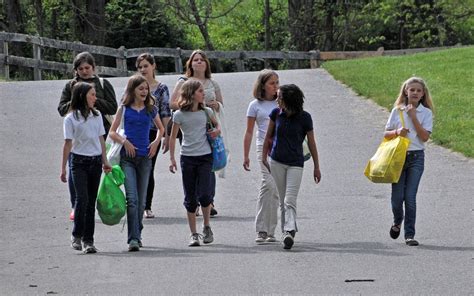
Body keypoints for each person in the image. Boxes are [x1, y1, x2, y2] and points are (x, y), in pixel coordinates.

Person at [58, 51, 117, 221]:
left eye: (87, 68)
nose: (84, 71)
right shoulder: (70, 86)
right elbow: (61, 109)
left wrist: (93, 99)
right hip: (77, 133)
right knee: (74, 169)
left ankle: (90, 202)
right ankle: (76, 205)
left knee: (94, 169)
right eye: (81, 68)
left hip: (99, 132)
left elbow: (113, 107)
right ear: (76, 70)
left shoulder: (103, 84)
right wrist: (78, 98)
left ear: (94, 68)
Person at [108, 75, 165, 252]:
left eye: (146, 89)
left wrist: (156, 142)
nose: (144, 92)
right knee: (131, 199)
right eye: (140, 89)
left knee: (141, 202)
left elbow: (161, 129)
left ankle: (137, 230)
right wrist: (125, 142)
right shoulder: (124, 109)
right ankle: (133, 238)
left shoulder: (150, 109)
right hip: (128, 158)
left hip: (145, 158)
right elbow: (112, 132)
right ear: (132, 90)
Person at [262, 84, 321, 250]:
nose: (277, 100)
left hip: (296, 163)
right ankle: (286, 232)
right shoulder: (276, 114)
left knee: (290, 199)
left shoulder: (305, 118)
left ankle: (288, 230)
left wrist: (317, 166)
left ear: (289, 99)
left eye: (280, 97)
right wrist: (263, 157)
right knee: (282, 201)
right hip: (276, 161)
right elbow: (268, 137)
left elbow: (312, 143)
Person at [170, 49, 226, 217]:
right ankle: (193, 201)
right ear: (190, 64)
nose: (199, 62)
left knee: (209, 165)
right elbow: (172, 104)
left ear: (207, 63)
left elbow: (221, 105)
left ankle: (208, 201)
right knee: (192, 165)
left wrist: (214, 105)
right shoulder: (183, 82)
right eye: (196, 60)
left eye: (202, 59)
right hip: (188, 127)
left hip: (208, 127)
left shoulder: (213, 83)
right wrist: (191, 106)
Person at [60, 82, 112, 254]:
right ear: (82, 96)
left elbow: (101, 140)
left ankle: (88, 240)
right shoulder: (70, 118)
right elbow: (67, 144)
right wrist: (63, 168)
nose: (95, 98)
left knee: (91, 202)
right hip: (78, 162)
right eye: (92, 95)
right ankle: (77, 234)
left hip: (95, 161)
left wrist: (105, 161)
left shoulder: (96, 116)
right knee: (81, 199)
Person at [169, 80, 220, 247]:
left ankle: (206, 226)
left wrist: (216, 131)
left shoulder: (207, 111)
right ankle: (193, 234)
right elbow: (173, 137)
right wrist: (172, 158)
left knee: (205, 195)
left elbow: (217, 126)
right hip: (188, 158)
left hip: (205, 157)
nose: (203, 93)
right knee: (190, 198)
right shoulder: (179, 115)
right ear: (191, 94)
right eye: (200, 91)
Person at [385, 77, 434, 246]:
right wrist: (397, 131)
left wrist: (413, 117)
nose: (415, 93)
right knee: (397, 197)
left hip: (416, 157)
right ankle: (397, 220)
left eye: (418, 91)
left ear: (423, 95)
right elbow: (386, 133)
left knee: (410, 197)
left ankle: (409, 234)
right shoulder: (397, 111)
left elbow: (425, 137)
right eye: (412, 89)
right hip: (398, 157)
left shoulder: (426, 113)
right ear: (406, 91)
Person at [243, 69, 280, 243]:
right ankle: (261, 229)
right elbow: (249, 132)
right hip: (263, 147)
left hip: (281, 147)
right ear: (263, 86)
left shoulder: (282, 103)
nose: (276, 86)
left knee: (275, 189)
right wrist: (245, 155)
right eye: (272, 83)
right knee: (268, 183)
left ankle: (271, 230)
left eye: (277, 83)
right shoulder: (255, 105)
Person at [135, 53, 172, 219]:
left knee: (148, 168)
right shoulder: (134, 85)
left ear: (153, 66)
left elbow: (165, 112)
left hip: (152, 132)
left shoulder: (161, 88)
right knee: (134, 168)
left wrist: (166, 135)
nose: (143, 69)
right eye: (140, 67)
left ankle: (146, 205)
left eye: (146, 66)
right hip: (135, 132)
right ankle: (135, 202)